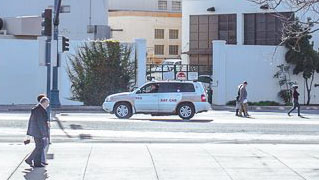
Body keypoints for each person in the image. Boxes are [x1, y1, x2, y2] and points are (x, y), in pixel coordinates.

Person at [25, 97, 50, 168]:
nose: (48, 105)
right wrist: (44, 133)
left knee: (39, 147)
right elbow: (40, 123)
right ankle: (36, 162)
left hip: (36, 131)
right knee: (40, 147)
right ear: (44, 102)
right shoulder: (39, 110)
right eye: (47, 103)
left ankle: (32, 160)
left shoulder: (38, 109)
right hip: (37, 132)